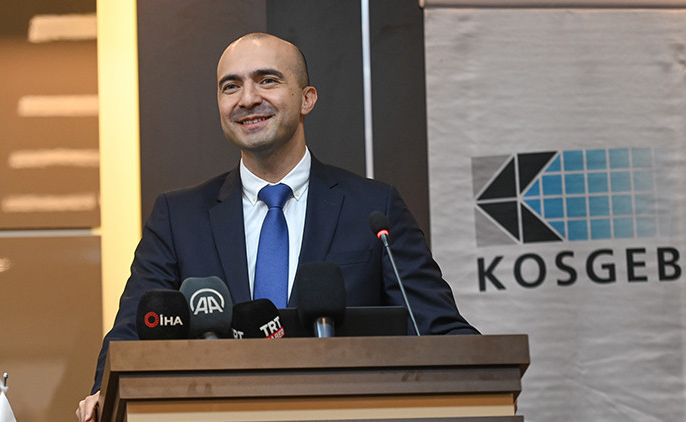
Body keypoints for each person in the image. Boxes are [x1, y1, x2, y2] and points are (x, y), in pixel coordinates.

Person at [76, 32, 477, 422]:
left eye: (267, 80)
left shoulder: (373, 208)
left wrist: (482, 373)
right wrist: (102, 396)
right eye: (231, 86)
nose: (248, 99)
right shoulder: (177, 216)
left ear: (307, 98)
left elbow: (437, 327)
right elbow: (131, 335)